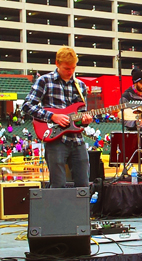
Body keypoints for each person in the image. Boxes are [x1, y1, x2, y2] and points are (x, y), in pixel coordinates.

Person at [22, 46, 93, 188]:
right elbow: (27, 106)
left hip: (77, 140)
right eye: (67, 68)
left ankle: (81, 211)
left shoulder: (81, 85)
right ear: (57, 63)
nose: (71, 72)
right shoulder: (44, 81)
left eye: (73, 68)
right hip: (55, 140)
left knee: (83, 186)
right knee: (58, 186)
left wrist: (85, 121)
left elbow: (80, 115)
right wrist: (52, 116)